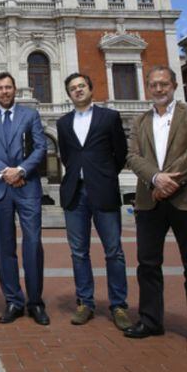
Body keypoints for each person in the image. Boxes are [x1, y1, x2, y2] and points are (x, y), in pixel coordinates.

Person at [124, 65, 187, 356]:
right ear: (148, 87)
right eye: (153, 84)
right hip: (150, 200)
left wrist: (168, 181)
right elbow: (132, 156)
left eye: (164, 83)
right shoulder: (140, 121)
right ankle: (151, 320)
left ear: (174, 85)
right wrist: (155, 178)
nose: (159, 88)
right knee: (147, 264)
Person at [56, 73, 131, 330]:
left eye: (81, 86)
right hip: (75, 193)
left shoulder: (109, 117)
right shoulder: (63, 123)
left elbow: (120, 152)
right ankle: (85, 303)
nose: (77, 90)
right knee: (78, 252)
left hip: (103, 190)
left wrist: (104, 174)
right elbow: (67, 155)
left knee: (114, 251)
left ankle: (118, 305)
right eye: (73, 88)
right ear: (69, 94)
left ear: (90, 89)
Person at [0, 72, 49, 325]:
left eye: (8, 87)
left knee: (33, 243)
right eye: (0, 88)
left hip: (27, 187)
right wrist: (5, 172)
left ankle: (35, 302)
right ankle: (14, 301)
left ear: (15, 89)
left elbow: (40, 147)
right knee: (4, 247)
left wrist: (21, 170)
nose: (4, 91)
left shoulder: (30, 115)